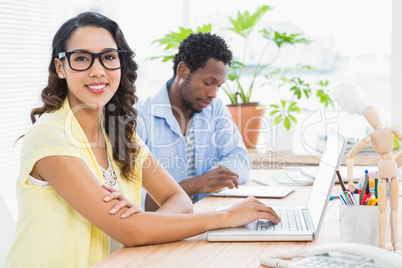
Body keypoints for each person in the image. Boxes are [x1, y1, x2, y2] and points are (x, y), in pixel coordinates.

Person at [5, 12, 280, 268]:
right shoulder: (50, 136)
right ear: (60, 67)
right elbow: (131, 230)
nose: (98, 70)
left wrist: (146, 222)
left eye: (108, 57)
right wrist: (226, 217)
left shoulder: (120, 131)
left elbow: (179, 200)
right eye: (81, 58)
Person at [136, 33, 250, 211]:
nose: (213, 93)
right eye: (208, 82)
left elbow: (240, 159)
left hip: (208, 216)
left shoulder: (215, 109)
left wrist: (216, 176)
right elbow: (137, 200)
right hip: (162, 229)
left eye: (218, 86)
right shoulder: (140, 117)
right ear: (183, 71)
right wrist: (195, 184)